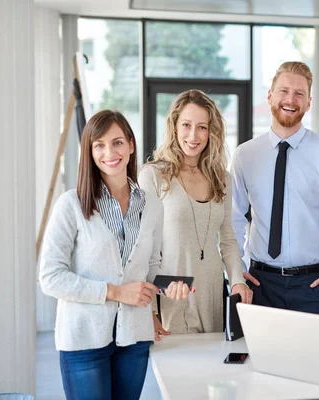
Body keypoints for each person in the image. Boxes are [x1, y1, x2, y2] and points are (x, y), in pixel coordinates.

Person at [39, 110, 191, 400]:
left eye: (117, 142)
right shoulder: (71, 204)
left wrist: (168, 287)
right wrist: (115, 292)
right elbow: (50, 278)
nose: (110, 152)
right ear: (90, 151)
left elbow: (150, 266)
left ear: (131, 145)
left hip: (134, 337)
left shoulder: (152, 207)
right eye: (99, 145)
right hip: (83, 340)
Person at [231, 61, 319, 319]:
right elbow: (232, 220)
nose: (290, 99)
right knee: (259, 360)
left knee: (315, 360)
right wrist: (235, 273)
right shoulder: (245, 155)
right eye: (283, 91)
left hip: (314, 287)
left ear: (308, 103)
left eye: (299, 93)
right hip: (259, 285)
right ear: (270, 96)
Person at [139, 89, 252, 338]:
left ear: (211, 132)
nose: (193, 135)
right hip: (171, 297)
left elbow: (228, 239)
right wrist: (150, 311)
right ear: (174, 127)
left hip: (212, 296)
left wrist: (237, 280)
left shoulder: (222, 179)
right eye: (186, 125)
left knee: (212, 373)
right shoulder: (153, 175)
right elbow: (142, 250)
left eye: (202, 127)